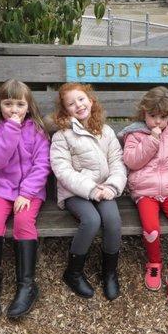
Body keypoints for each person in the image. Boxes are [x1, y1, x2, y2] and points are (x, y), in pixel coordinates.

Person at [0, 79, 51, 320]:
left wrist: (26, 192)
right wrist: (11, 130)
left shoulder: (38, 131)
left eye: (20, 104)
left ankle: (26, 284)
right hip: (2, 189)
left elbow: (43, 165)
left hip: (29, 192)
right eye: (8, 103)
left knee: (23, 223)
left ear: (28, 106)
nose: (13, 110)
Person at [118, 86, 168, 309]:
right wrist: (151, 140)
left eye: (163, 117)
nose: (158, 122)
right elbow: (132, 161)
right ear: (144, 113)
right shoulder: (134, 134)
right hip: (145, 192)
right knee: (151, 229)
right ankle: (154, 264)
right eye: (153, 116)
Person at [50, 83, 127, 301]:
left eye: (81, 99)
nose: (78, 105)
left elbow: (117, 162)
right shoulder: (62, 136)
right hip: (75, 192)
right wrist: (91, 190)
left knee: (112, 219)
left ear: (91, 101)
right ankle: (73, 272)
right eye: (71, 104)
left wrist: (112, 187)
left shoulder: (106, 131)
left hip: (105, 188)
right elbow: (62, 171)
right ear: (66, 111)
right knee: (92, 220)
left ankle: (109, 272)